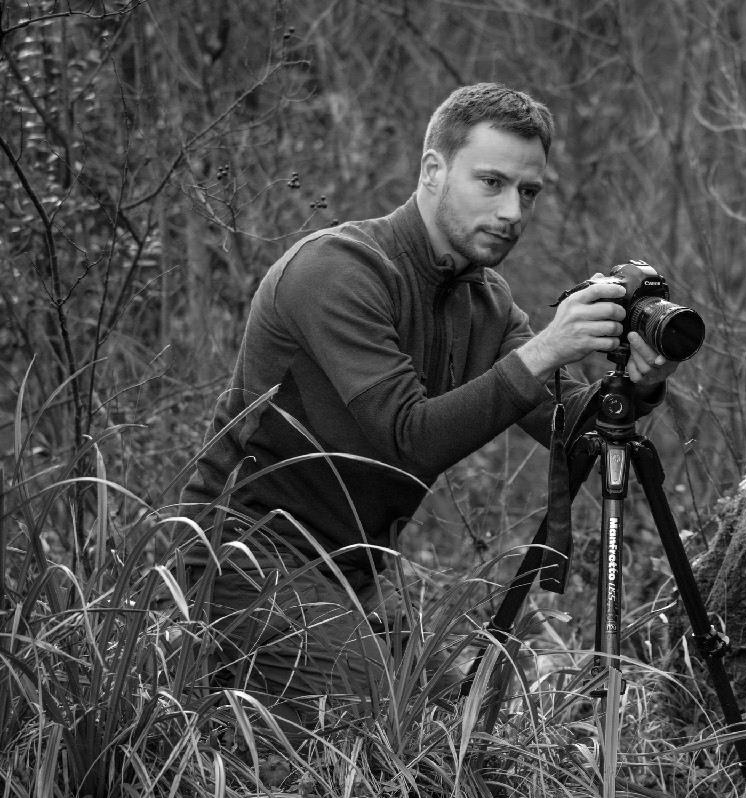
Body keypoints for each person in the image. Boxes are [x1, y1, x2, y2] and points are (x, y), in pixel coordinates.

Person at [180, 82, 678, 729]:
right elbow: (407, 439)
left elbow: (572, 430)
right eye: (492, 182)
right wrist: (547, 348)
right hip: (242, 556)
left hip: (352, 576)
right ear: (433, 171)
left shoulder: (485, 302)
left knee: (460, 730)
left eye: (528, 192)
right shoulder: (338, 269)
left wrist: (638, 383)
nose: (512, 211)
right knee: (388, 726)